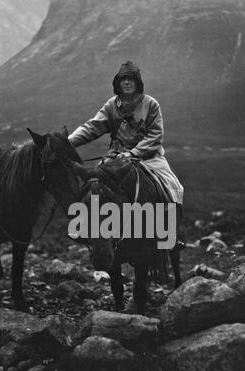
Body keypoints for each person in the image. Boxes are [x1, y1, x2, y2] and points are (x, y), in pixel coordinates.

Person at [69, 60, 184, 243]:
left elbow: (155, 135)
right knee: (93, 184)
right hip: (116, 156)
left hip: (149, 157)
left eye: (131, 79)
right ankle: (86, 230)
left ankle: (171, 235)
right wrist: (68, 143)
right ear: (118, 83)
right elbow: (93, 127)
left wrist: (133, 153)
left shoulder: (151, 104)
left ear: (138, 82)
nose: (127, 83)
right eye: (123, 80)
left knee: (172, 185)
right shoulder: (111, 106)